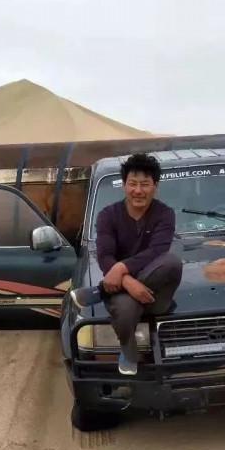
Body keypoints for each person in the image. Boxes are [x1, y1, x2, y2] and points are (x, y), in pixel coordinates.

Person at [70, 152, 183, 375]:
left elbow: (157, 251)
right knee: (125, 308)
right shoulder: (107, 215)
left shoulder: (165, 214)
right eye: (133, 183)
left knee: (171, 261)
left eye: (145, 184)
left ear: (155, 186)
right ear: (124, 185)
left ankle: (100, 291)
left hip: (156, 294)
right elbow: (105, 256)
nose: (138, 190)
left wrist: (121, 270)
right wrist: (129, 283)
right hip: (123, 296)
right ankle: (129, 352)